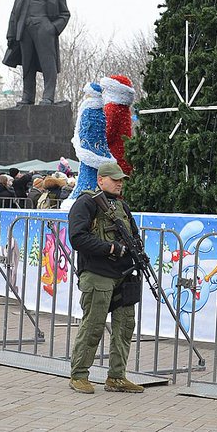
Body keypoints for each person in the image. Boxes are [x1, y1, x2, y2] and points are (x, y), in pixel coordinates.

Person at [67, 162, 145, 394]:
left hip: (124, 274)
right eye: (115, 179)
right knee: (93, 325)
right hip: (97, 273)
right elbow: (77, 238)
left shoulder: (122, 205)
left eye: (121, 180)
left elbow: (134, 235)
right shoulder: (86, 203)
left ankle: (117, 377)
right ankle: (79, 375)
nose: (119, 183)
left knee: (125, 327)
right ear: (101, 180)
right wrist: (110, 248)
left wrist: (137, 253)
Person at [5, 0, 70, 105]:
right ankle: (27, 97)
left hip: (44, 30)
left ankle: (48, 96)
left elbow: (65, 14)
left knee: (48, 64)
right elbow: (14, 14)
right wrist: (11, 34)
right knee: (27, 64)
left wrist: (53, 28)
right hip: (25, 30)